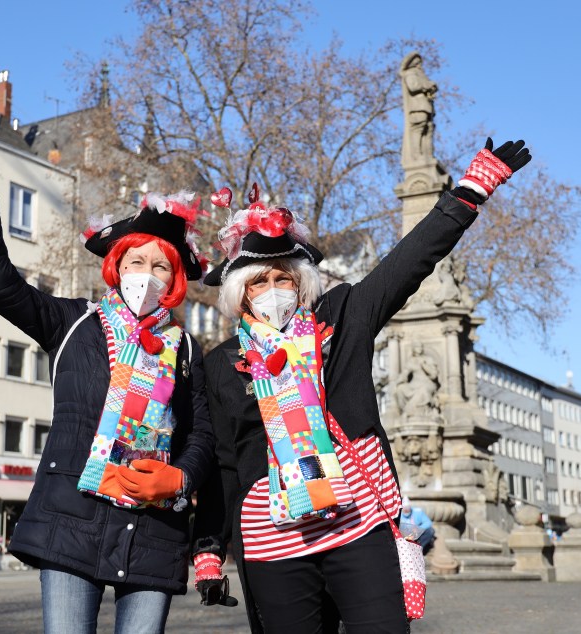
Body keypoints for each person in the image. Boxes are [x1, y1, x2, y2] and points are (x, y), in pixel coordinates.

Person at [191, 138, 531, 633]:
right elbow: (225, 463)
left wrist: (470, 192)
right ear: (238, 292)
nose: (271, 291)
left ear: (301, 282)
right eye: (258, 281)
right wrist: (208, 547)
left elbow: (409, 262)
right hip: (273, 543)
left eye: (282, 278)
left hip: (356, 525)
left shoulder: (342, 316)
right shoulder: (220, 364)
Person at [0, 117, 216, 634]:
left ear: (175, 280)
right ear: (116, 267)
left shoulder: (185, 348)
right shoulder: (74, 324)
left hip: (154, 528)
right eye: (136, 261)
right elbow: (0, 285)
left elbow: (202, 432)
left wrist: (181, 476)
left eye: (160, 267)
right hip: (69, 525)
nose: (147, 275)